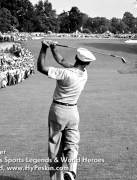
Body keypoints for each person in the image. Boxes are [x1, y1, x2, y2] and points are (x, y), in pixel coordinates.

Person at [37, 40, 96, 180]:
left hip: (58, 110)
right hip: (73, 113)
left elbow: (41, 67)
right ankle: (71, 171)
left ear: (76, 58)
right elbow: (61, 60)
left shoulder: (65, 73)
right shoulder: (84, 74)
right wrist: (54, 47)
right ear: (87, 63)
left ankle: (57, 178)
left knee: (55, 146)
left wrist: (44, 48)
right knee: (72, 145)